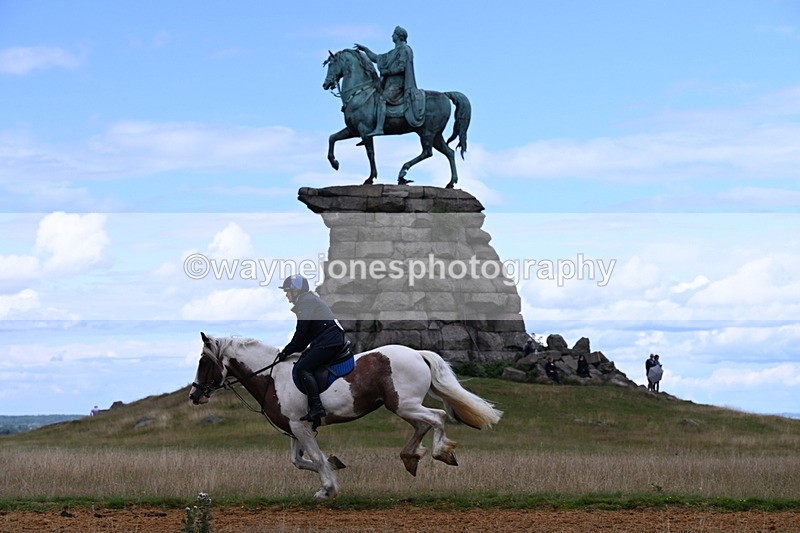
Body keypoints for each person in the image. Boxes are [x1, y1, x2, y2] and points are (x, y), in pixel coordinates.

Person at [277, 274, 347, 427]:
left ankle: (316, 407)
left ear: (297, 291)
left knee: (302, 368)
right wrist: (290, 350)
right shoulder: (307, 300)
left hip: (329, 342)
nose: (286, 295)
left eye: (288, 291)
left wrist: (286, 351)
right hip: (326, 340)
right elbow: (306, 335)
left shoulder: (306, 302)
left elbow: (302, 332)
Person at [354, 25, 424, 135]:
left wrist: (387, 72)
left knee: (381, 99)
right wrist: (366, 50)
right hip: (389, 84)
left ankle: (379, 128)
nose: (392, 35)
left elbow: (401, 68)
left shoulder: (404, 50)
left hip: (398, 84)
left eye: (394, 34)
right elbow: (377, 58)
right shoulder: (393, 52)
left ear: (399, 36)